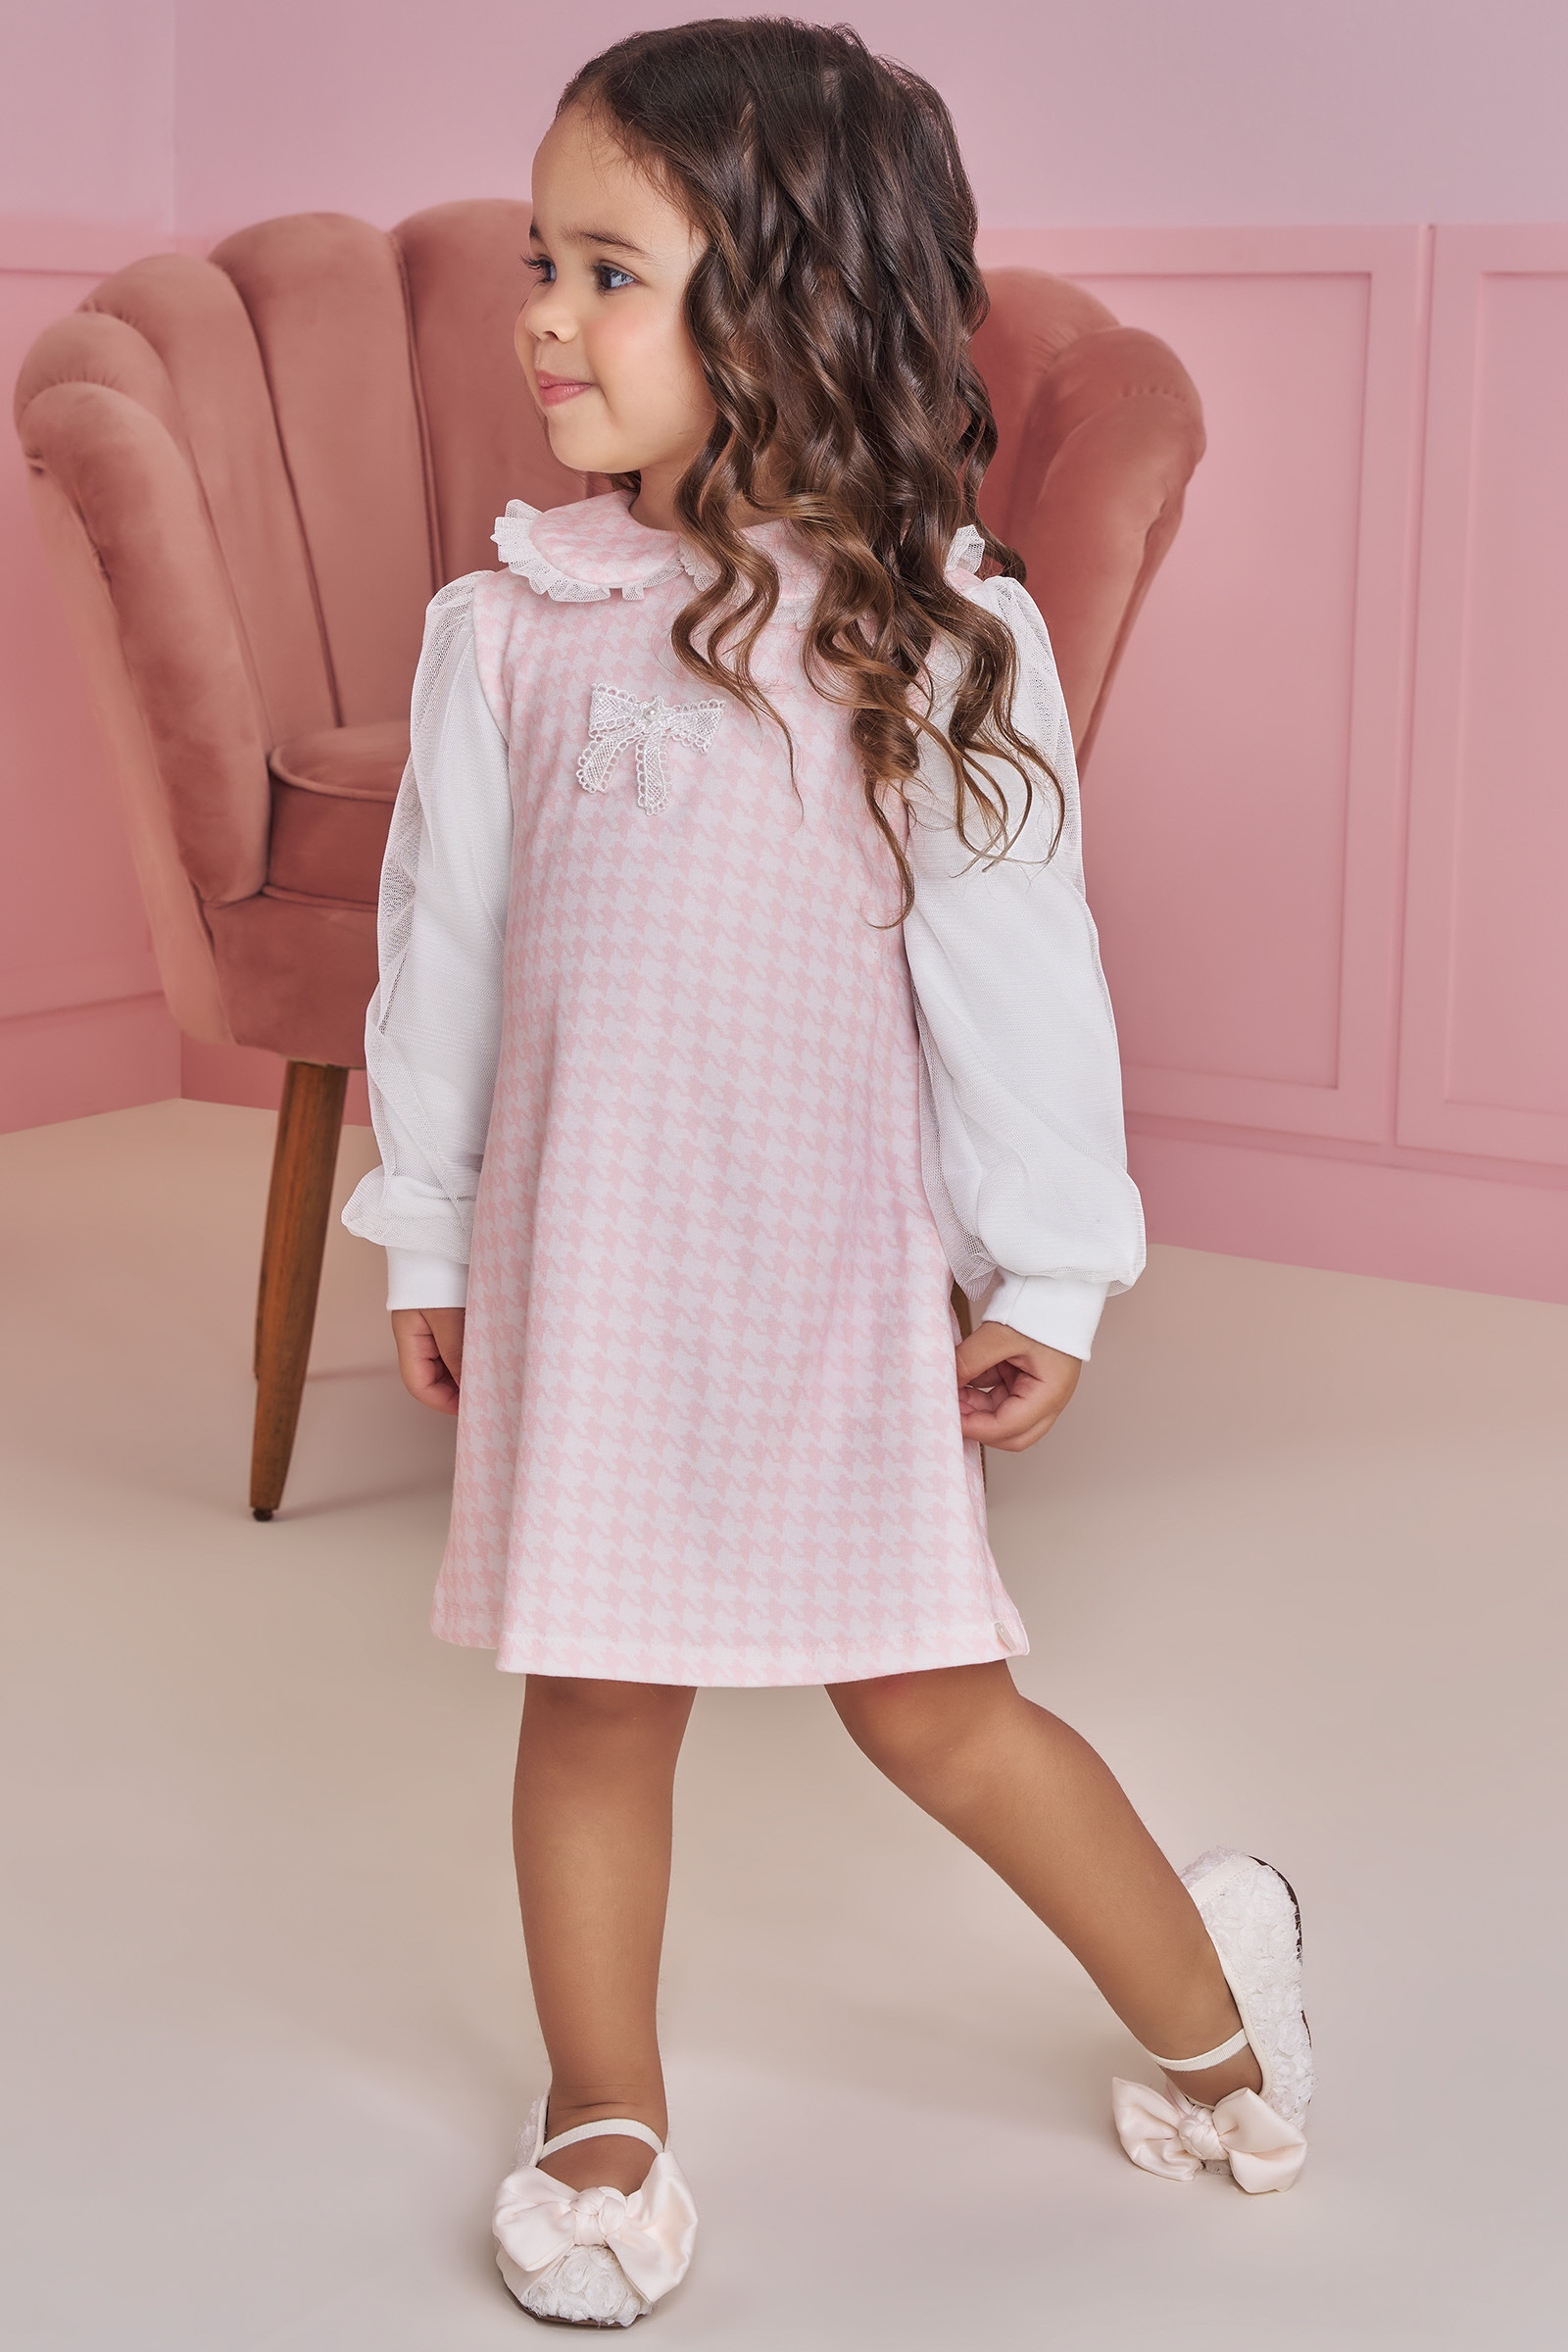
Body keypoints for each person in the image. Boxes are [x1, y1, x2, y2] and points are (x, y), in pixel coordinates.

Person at [343, 17, 1311, 2328]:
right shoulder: (509, 628)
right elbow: (440, 964)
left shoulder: (934, 632)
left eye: (607, 273)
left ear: (782, 306)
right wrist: (429, 1230)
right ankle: (602, 2111)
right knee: (589, 1700)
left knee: (930, 1710)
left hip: (825, 1281)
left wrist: (1047, 1270)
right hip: (591, 1271)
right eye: (539, 264)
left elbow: (1015, 969)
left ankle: (1217, 2012)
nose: (542, 319)